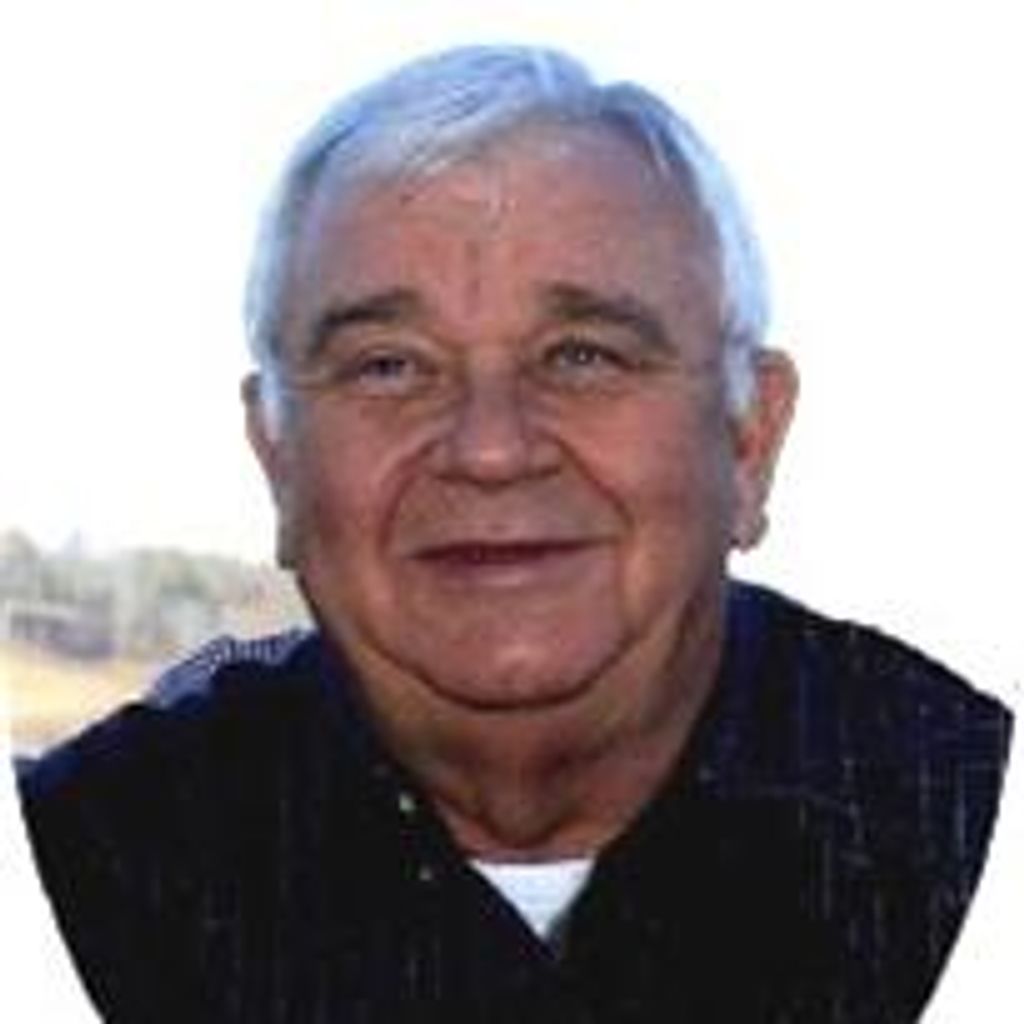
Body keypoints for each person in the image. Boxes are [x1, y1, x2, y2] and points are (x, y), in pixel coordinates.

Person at [18, 45, 1011, 1023]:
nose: (489, 448)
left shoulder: (964, 814)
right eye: (388, 366)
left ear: (750, 437)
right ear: (278, 457)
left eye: (582, 355)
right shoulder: (84, 869)